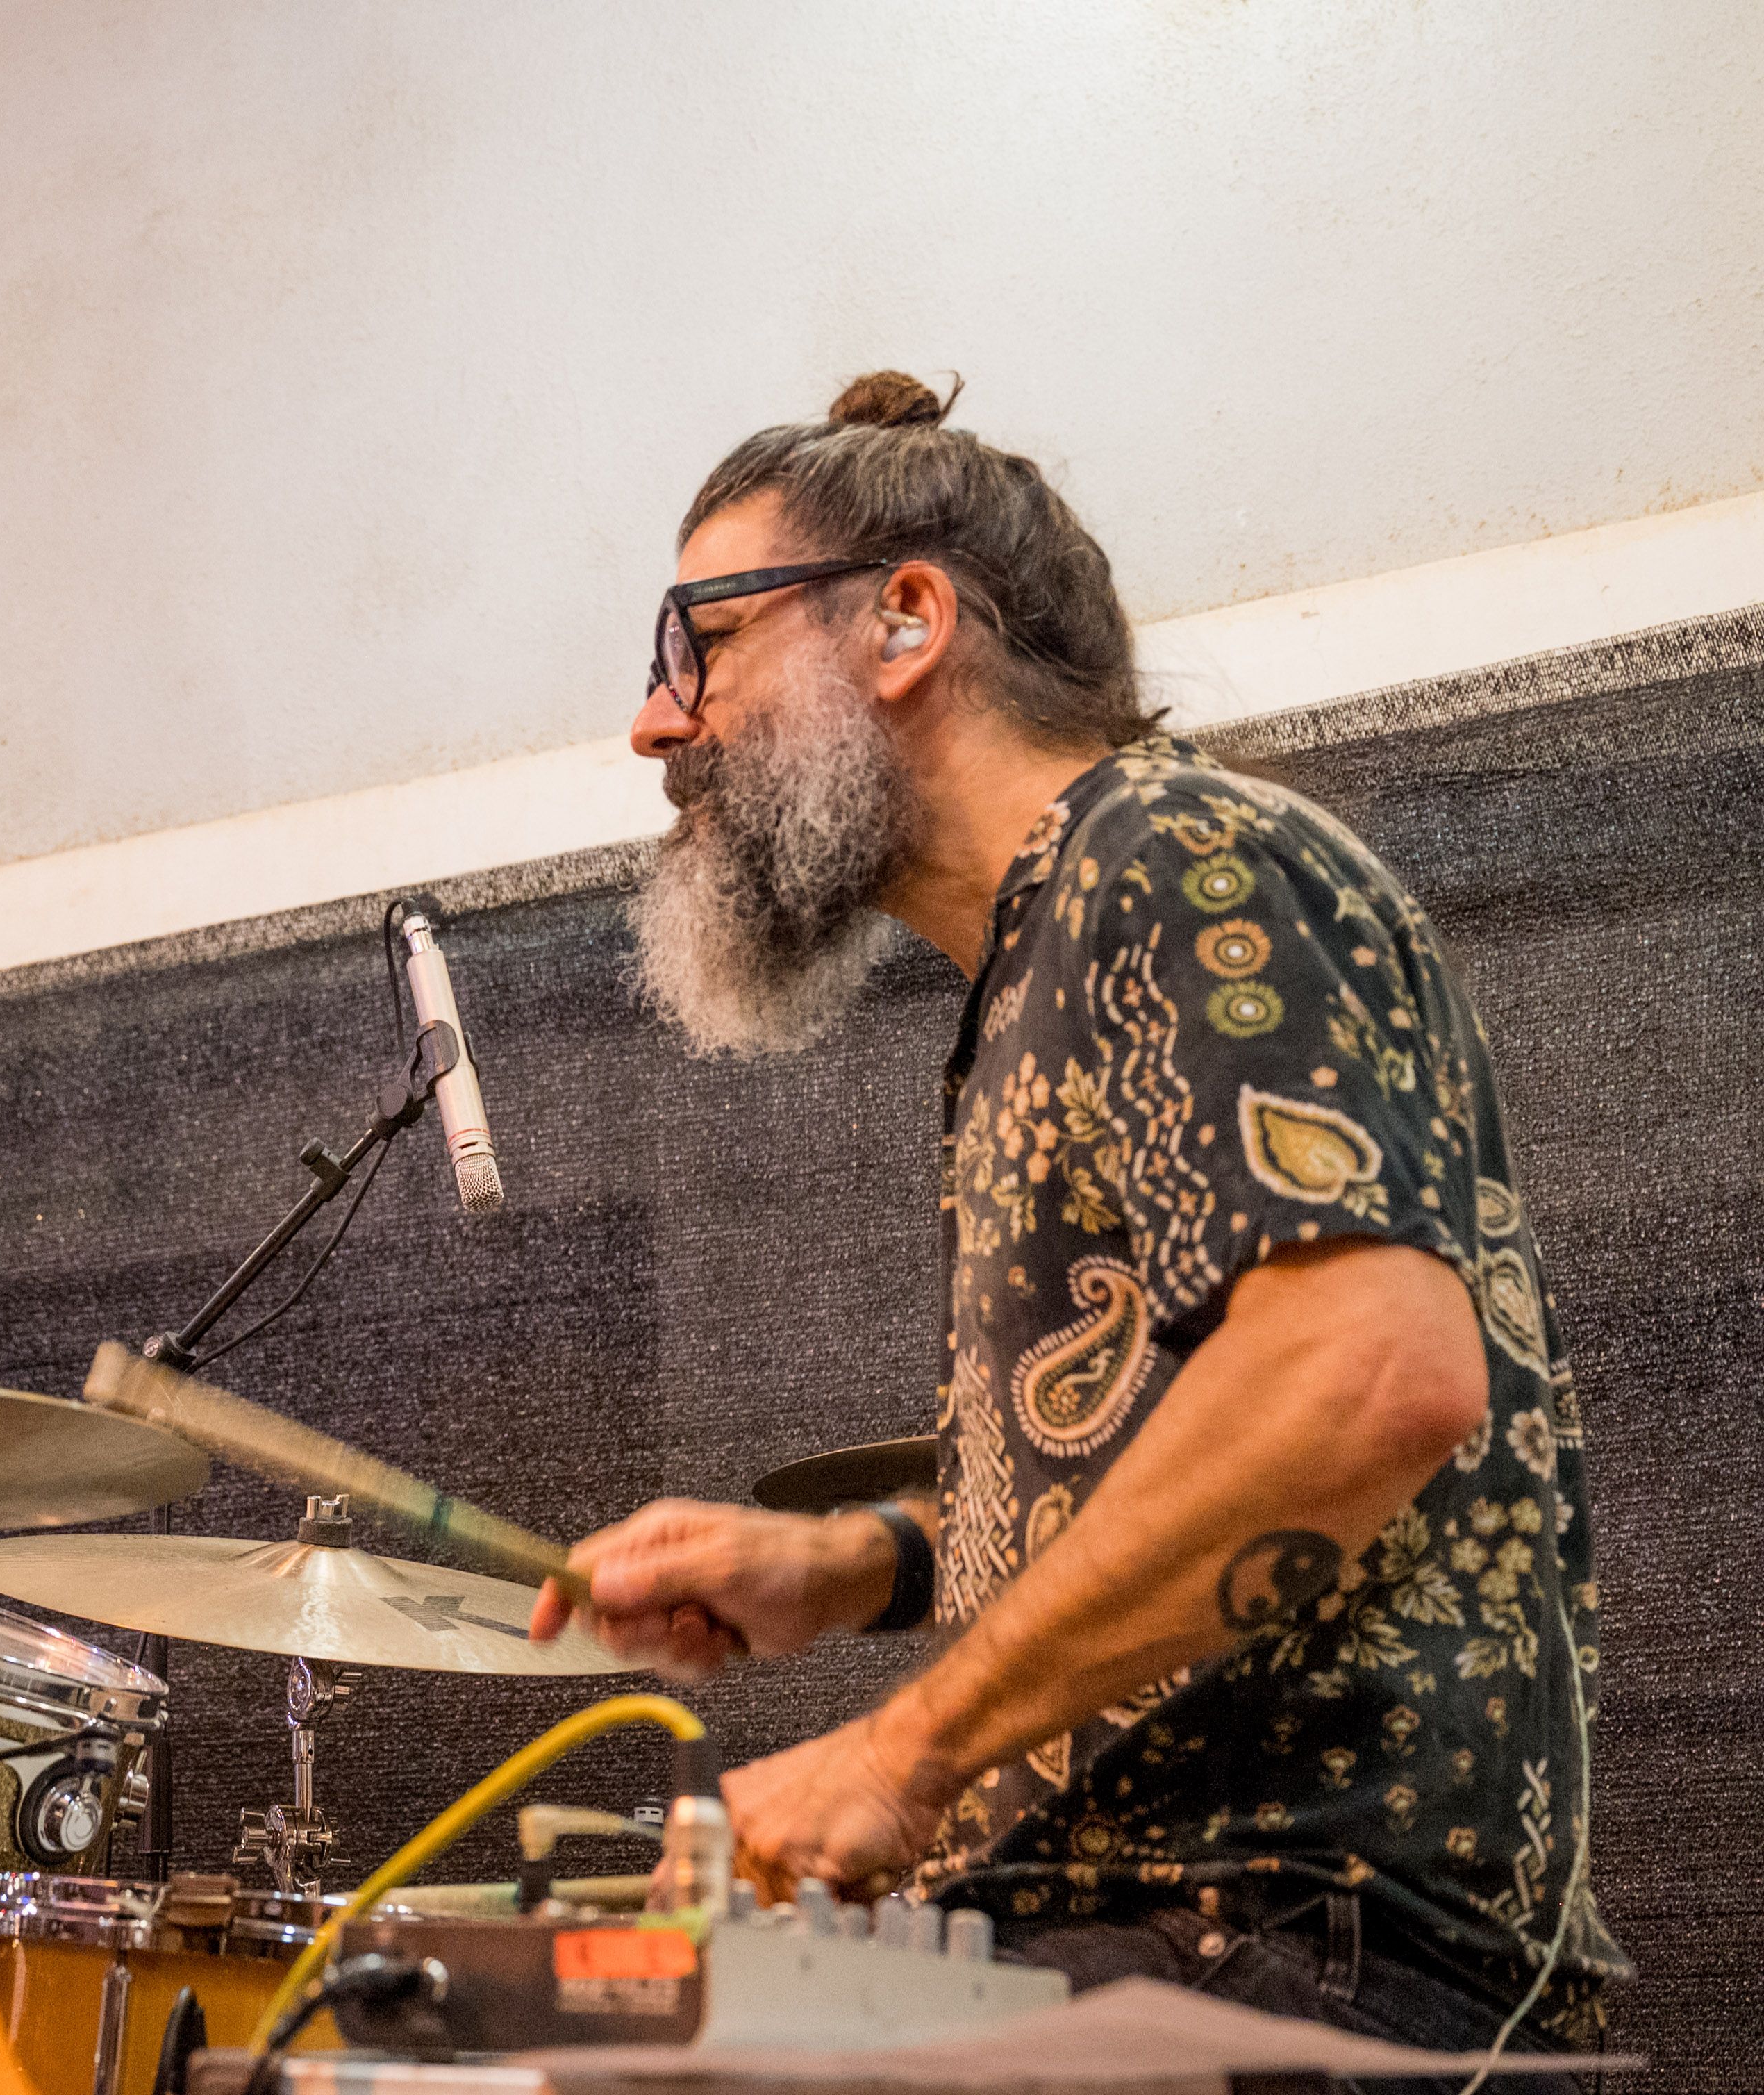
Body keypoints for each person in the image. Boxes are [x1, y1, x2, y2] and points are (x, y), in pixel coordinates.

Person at [527, 372, 1621, 2064]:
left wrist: (906, 1744)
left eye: (699, 644)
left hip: (1284, 1941)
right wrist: (850, 1559)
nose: (654, 723)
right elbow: (1166, 1450)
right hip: (1188, 1939)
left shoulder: (1165, 856)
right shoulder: (1041, 953)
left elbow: (1365, 1378)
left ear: (901, 621)